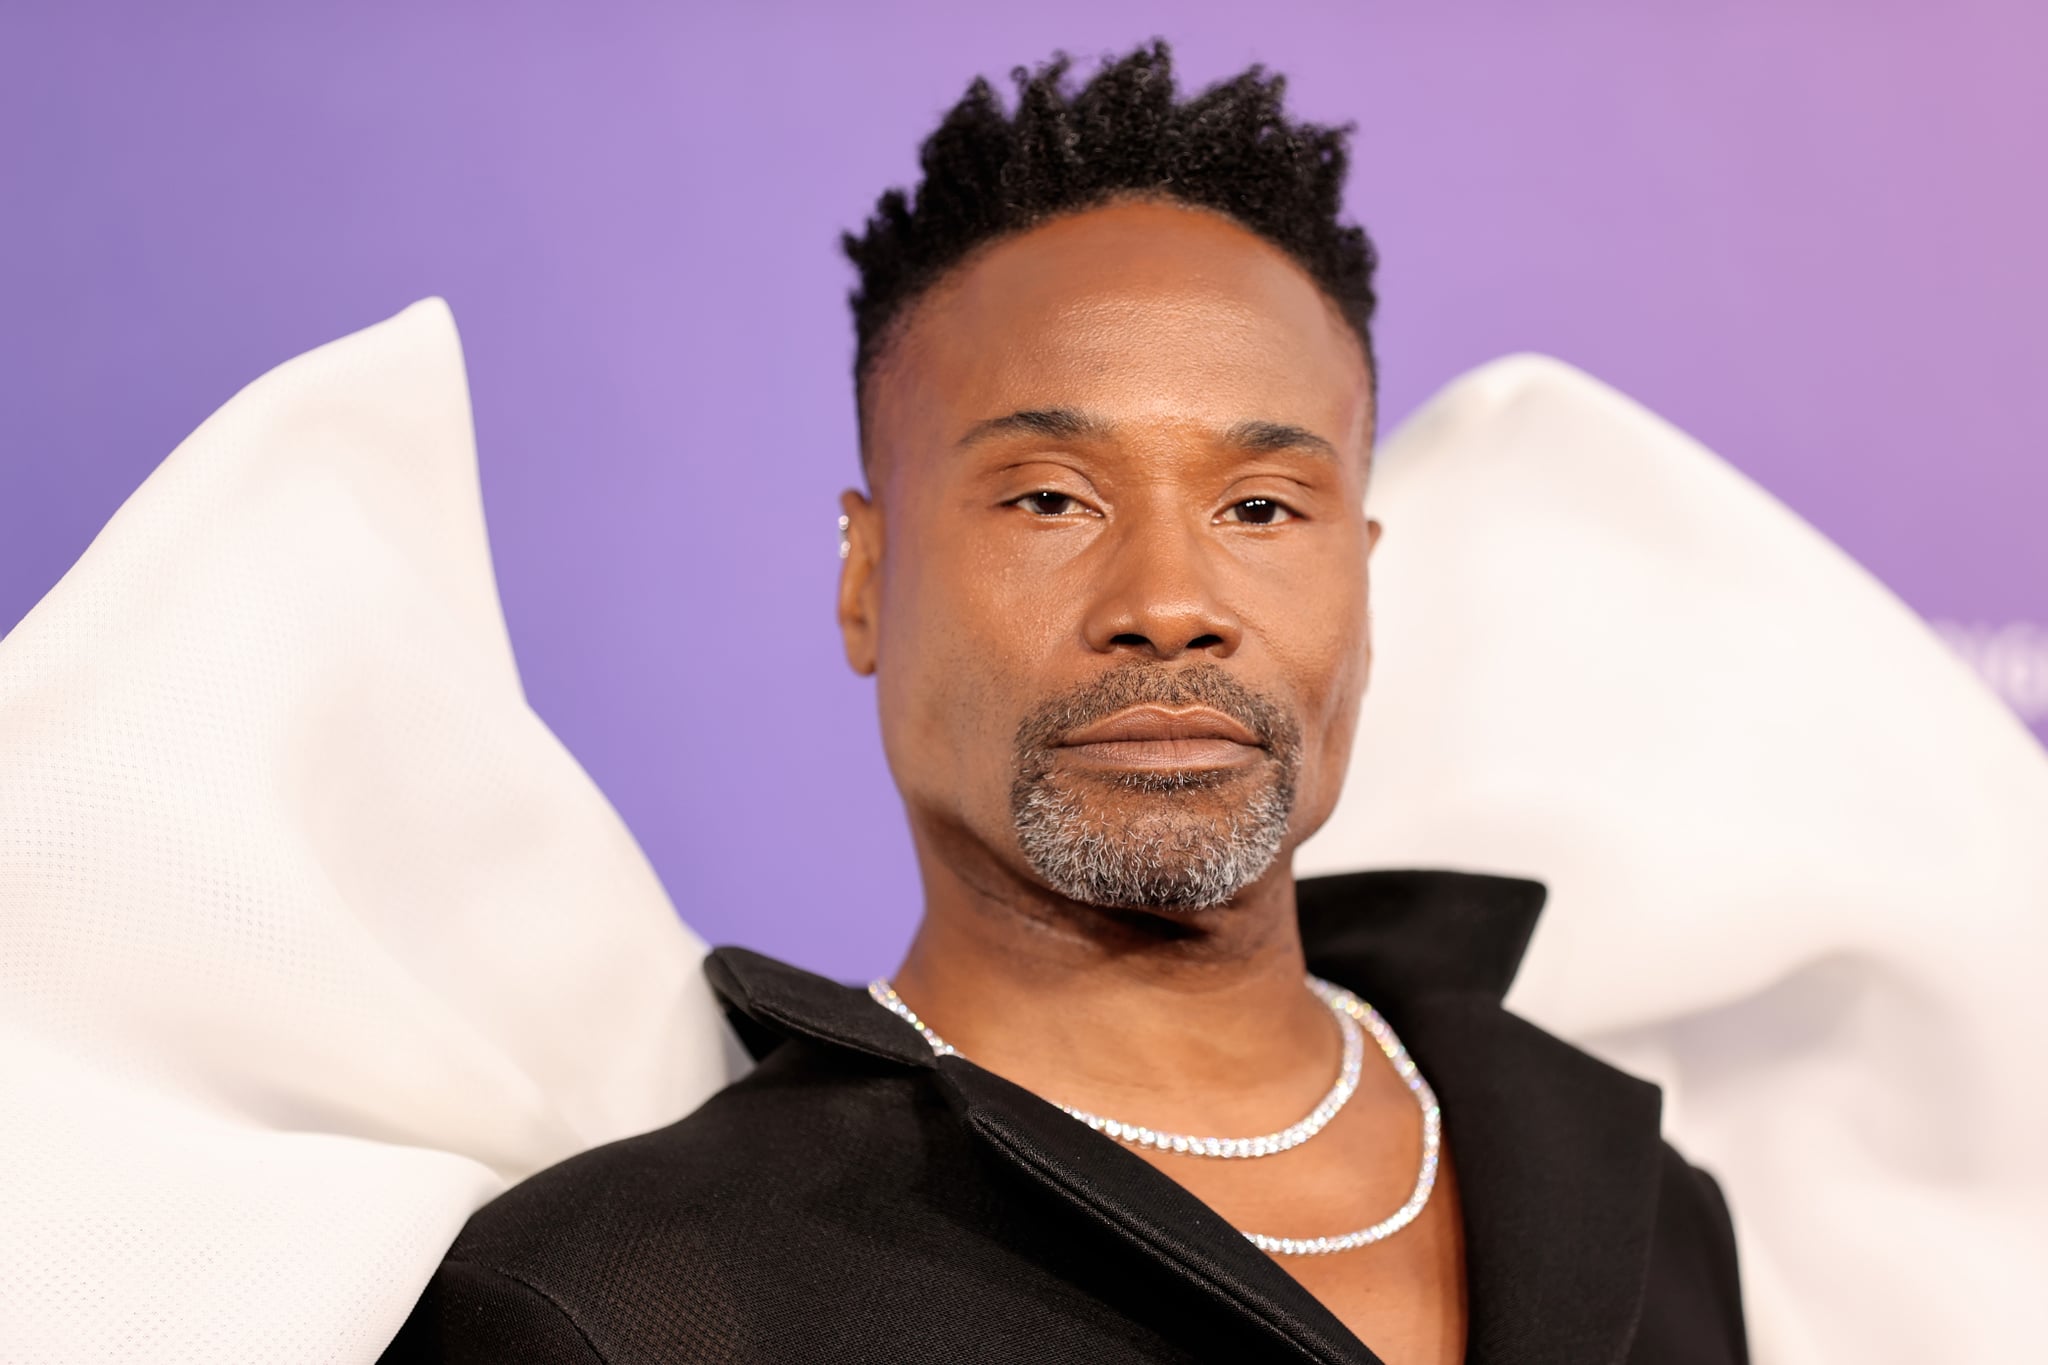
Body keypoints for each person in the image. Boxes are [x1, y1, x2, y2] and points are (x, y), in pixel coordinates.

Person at [382, 42, 1747, 1365]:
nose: (1167, 596)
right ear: (866, 580)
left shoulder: (1644, 1210)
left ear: (1365, 589)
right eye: (1049, 498)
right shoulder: (616, 1301)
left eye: (1261, 506)